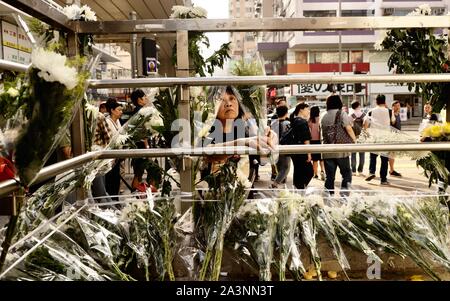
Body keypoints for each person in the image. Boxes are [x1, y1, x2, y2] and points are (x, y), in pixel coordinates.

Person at [202, 86, 275, 180]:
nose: (228, 104)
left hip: (245, 192)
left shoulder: (246, 132)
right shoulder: (206, 132)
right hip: (212, 191)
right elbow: (208, 153)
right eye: (221, 100)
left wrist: (269, 139)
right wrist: (239, 143)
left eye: (232, 98)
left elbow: (263, 160)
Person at [321, 95, 356, 195]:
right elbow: (348, 128)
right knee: (346, 174)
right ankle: (344, 195)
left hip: (327, 150)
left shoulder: (323, 115)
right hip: (341, 150)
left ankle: (328, 196)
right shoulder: (341, 113)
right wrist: (354, 140)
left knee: (330, 176)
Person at [130, 89, 154, 192]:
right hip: (142, 146)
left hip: (139, 145)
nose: (146, 98)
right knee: (149, 171)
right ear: (139, 99)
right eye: (144, 97)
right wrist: (146, 145)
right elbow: (141, 130)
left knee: (139, 172)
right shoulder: (140, 111)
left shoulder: (138, 110)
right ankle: (138, 192)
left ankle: (136, 192)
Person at [364, 94, 391, 185]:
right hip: (386, 138)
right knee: (384, 160)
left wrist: (367, 134)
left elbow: (365, 124)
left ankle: (371, 172)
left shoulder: (371, 111)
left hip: (374, 137)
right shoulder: (389, 111)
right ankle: (383, 179)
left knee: (373, 157)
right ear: (385, 101)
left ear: (376, 101)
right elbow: (393, 121)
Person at [290, 103, 314, 189]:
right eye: (307, 109)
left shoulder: (294, 120)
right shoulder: (303, 122)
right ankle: (300, 189)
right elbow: (306, 139)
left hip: (294, 150)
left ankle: (297, 190)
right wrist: (309, 153)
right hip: (302, 150)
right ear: (301, 109)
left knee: (298, 171)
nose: (309, 111)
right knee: (309, 172)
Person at [104, 101, 123, 201]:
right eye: (119, 110)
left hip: (117, 156)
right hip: (110, 157)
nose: (121, 112)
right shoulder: (107, 122)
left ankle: (115, 200)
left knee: (116, 180)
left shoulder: (118, 121)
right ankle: (111, 202)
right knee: (110, 181)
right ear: (112, 110)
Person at [270, 105, 291, 187]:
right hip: (284, 148)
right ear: (286, 113)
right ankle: (276, 183)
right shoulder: (288, 123)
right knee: (285, 167)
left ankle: (280, 183)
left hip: (274, 147)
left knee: (279, 167)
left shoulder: (273, 123)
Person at [308, 106, 325, 181]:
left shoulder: (309, 120)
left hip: (312, 141)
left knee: (315, 159)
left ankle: (315, 174)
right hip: (320, 141)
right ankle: (322, 172)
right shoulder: (320, 119)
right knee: (321, 159)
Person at [350, 101, 366, 176]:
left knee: (353, 154)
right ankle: (360, 170)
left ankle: (353, 171)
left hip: (353, 136)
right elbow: (367, 123)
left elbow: (348, 127)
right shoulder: (363, 115)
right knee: (362, 154)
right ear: (359, 106)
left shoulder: (351, 115)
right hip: (361, 136)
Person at [389, 101, 402, 177]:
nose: (398, 107)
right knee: (391, 154)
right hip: (392, 137)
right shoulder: (392, 114)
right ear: (393, 107)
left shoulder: (398, 114)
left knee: (393, 154)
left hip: (397, 136)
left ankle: (392, 169)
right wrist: (393, 112)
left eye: (399, 106)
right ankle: (391, 170)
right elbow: (393, 122)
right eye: (396, 106)